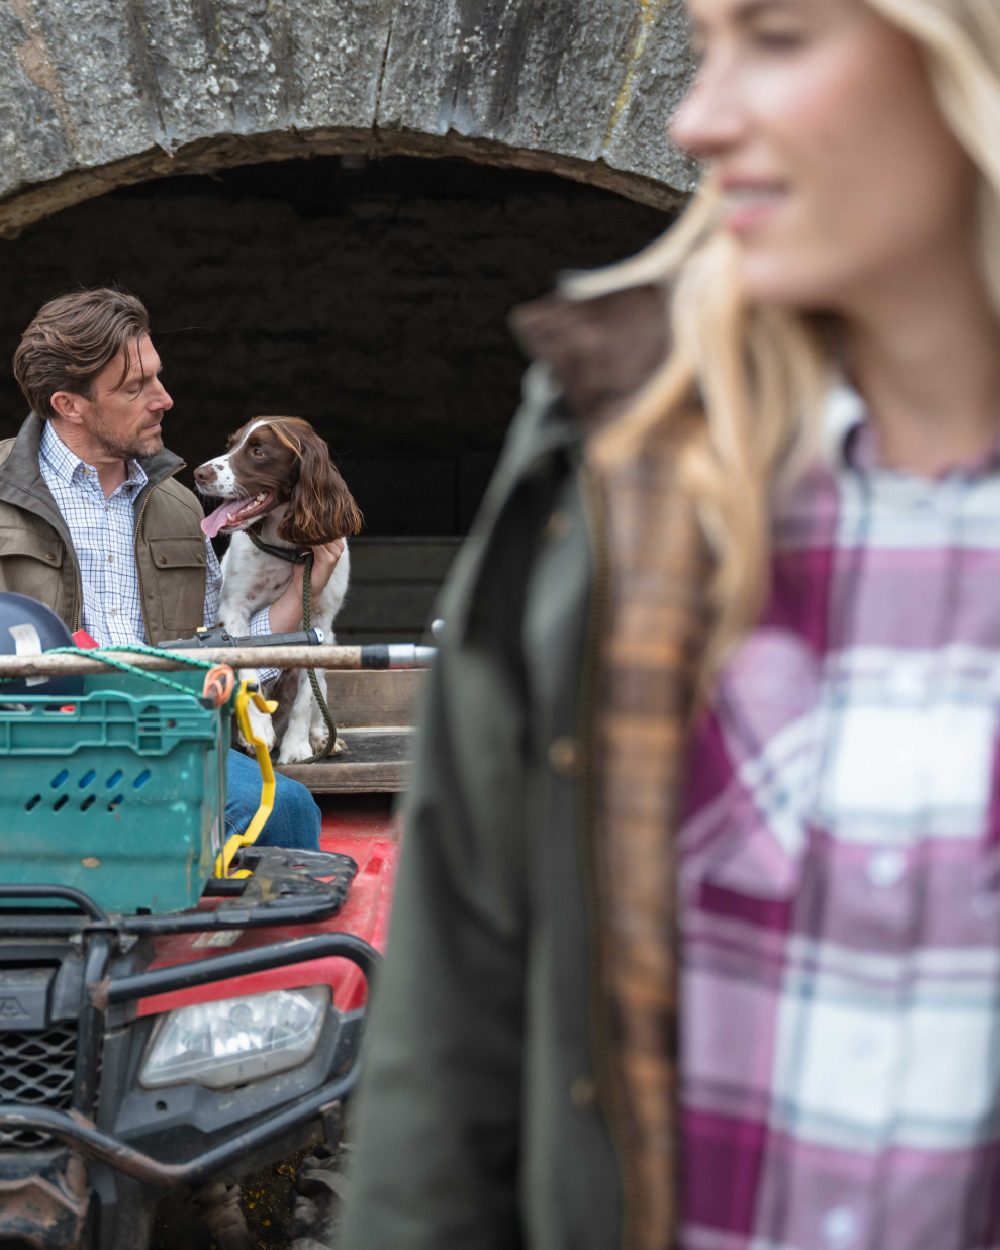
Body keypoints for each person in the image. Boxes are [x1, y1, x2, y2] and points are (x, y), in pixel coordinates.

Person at [340, 1, 1000, 1248]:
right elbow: (452, 1043)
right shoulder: (614, 466)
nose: (696, 118)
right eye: (701, 45)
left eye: (781, 38)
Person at [0, 287, 344, 851]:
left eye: (157, 377)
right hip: (33, 748)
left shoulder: (182, 509)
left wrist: (304, 591)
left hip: (164, 745)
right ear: (70, 405)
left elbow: (218, 661)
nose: (165, 399)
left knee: (284, 810)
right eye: (136, 387)